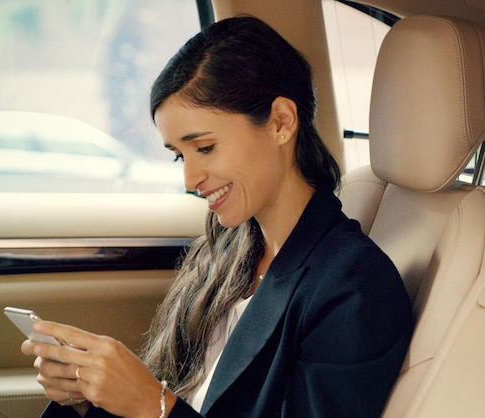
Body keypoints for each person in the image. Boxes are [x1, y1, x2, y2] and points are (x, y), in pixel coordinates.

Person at [21, 15, 414, 417]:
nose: (191, 178)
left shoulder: (355, 288)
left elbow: (168, 407)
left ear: (281, 122)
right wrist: (87, 397)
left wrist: (152, 405)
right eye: (179, 155)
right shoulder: (224, 250)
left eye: (205, 148)